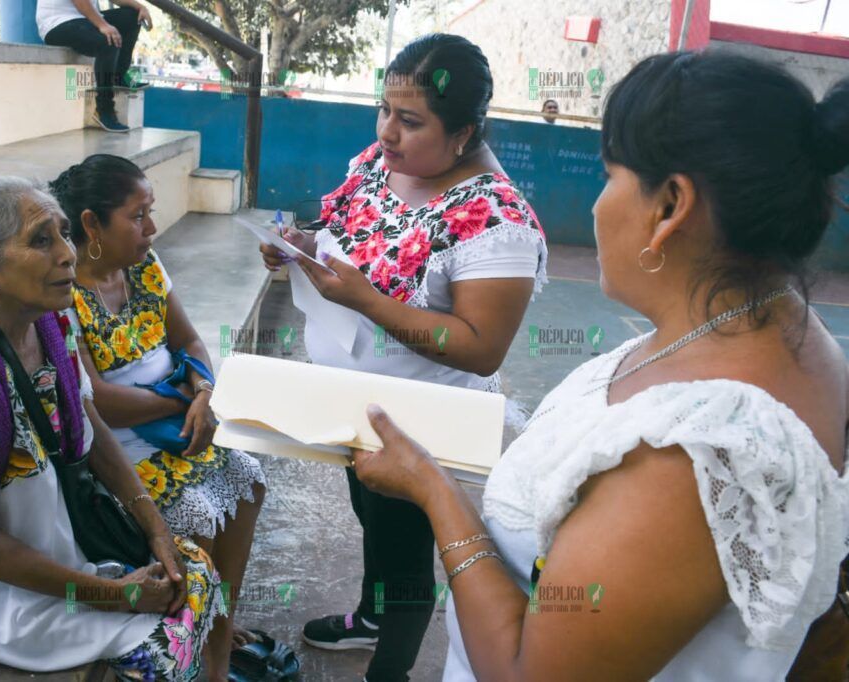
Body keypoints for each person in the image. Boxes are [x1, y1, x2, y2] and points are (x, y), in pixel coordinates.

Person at [348, 51, 849, 681]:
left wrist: (433, 490)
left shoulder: (691, 454)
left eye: (609, 176)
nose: (594, 206)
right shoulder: (779, 329)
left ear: (670, 206)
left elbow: (528, 673)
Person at [261, 34, 547, 682]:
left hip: (418, 421)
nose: (388, 132)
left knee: (409, 555)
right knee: (370, 513)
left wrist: (368, 302)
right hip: (351, 403)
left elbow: (478, 347)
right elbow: (348, 234)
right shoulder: (381, 163)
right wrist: (301, 247)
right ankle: (369, 616)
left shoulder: (496, 219)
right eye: (384, 110)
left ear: (464, 132)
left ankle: (386, 671)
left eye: (410, 120)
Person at [0, 177, 222, 679]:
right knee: (163, 650)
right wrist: (113, 596)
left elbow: (91, 425)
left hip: (58, 541)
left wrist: (156, 529)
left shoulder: (48, 324)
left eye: (62, 233)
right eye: (41, 240)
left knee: (195, 577)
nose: (67, 254)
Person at [49, 155, 270, 682]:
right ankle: (198, 643)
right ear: (91, 225)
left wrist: (204, 390)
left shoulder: (145, 267)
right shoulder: (62, 294)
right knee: (196, 516)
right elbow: (97, 398)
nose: (150, 228)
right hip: (125, 450)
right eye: (137, 215)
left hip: (178, 428)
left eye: (150, 212)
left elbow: (189, 340)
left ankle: (220, 628)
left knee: (249, 481)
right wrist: (182, 400)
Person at [38, 0, 153, 132]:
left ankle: (118, 77)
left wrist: (141, 7)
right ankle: (104, 110)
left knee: (132, 17)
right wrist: (103, 25)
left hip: (84, 20)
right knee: (108, 40)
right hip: (57, 23)